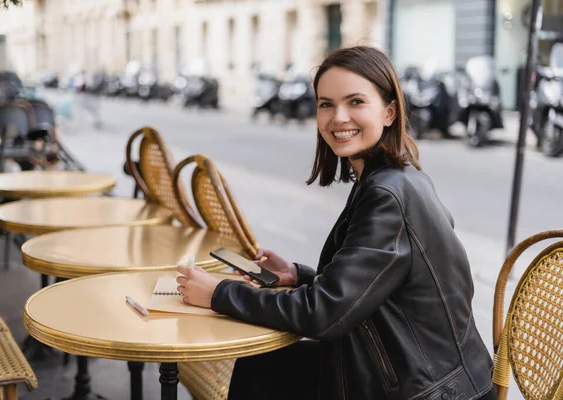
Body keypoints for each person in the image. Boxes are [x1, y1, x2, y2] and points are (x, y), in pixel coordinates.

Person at [176, 46, 496, 400]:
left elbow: (323, 315)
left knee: (265, 369)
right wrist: (300, 276)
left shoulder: (386, 195)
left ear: (389, 112)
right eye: (326, 104)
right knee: (263, 363)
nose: (338, 117)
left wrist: (219, 294)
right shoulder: (394, 178)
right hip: (422, 376)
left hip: (429, 391)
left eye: (356, 102)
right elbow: (375, 287)